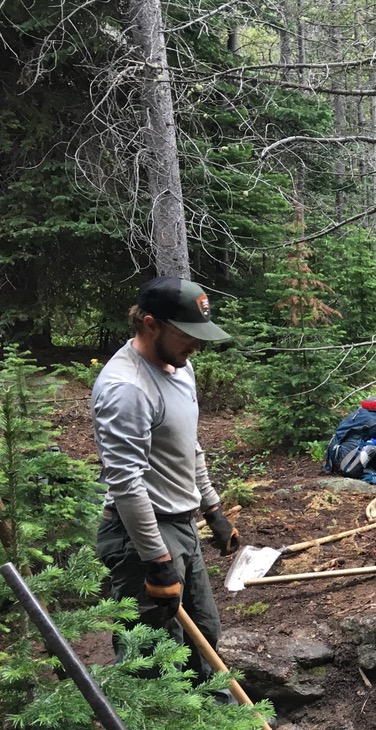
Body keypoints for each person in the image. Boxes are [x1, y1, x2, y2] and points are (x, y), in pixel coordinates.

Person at [93, 277, 239, 689]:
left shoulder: (179, 366)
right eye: (187, 335)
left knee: (204, 634)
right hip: (141, 535)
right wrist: (157, 562)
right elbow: (126, 482)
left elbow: (187, 446)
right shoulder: (127, 388)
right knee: (153, 656)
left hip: (182, 524)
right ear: (150, 324)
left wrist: (212, 509)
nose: (197, 345)